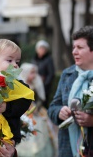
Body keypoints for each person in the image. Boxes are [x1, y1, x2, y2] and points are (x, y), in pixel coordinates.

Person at [48, 26, 93, 157]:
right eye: (74, 47)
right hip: (69, 149)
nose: (74, 52)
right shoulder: (67, 74)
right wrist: (59, 112)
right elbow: (52, 108)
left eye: (79, 47)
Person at [16, 62, 57, 157]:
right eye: (32, 73)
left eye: (35, 72)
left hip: (37, 112)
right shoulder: (21, 85)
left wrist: (36, 107)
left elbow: (40, 98)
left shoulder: (36, 83)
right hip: (25, 113)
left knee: (42, 131)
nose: (34, 75)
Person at [31, 40, 55, 108]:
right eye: (40, 48)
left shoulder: (48, 59)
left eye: (43, 48)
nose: (41, 50)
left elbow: (51, 73)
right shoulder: (34, 59)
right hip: (34, 84)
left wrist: (45, 84)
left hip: (44, 86)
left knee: (43, 103)